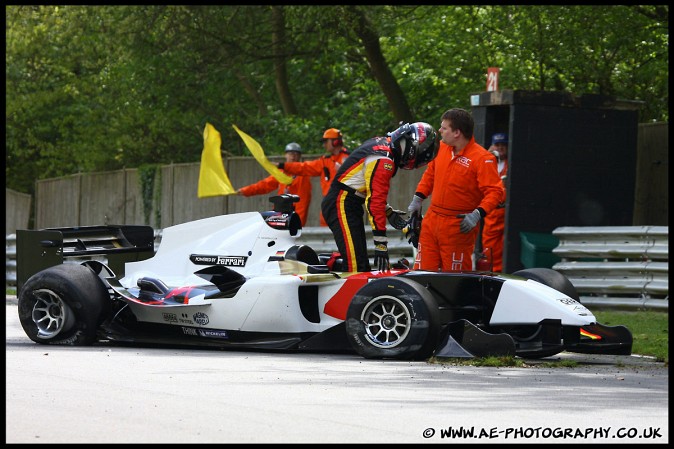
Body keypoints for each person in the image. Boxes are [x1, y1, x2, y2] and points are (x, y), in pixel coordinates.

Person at [321, 122, 439, 272]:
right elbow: (374, 202)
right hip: (341, 202)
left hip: (347, 201)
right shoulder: (385, 160)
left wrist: (388, 212)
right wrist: (381, 244)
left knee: (360, 265)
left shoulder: (382, 144)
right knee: (355, 267)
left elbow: (364, 188)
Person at [407, 108, 504, 272]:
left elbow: (496, 192)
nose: (440, 131)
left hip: (459, 225)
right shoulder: (441, 148)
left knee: (453, 277)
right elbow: (430, 175)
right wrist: (418, 198)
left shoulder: (482, 158)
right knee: (422, 272)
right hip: (432, 220)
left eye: (444, 128)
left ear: (457, 132)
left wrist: (477, 214)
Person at [277, 128, 350, 226]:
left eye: (326, 141)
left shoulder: (350, 158)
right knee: (326, 228)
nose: (324, 145)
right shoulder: (326, 161)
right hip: (329, 203)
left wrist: (344, 172)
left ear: (335, 142)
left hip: (346, 202)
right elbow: (305, 167)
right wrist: (283, 166)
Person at [236, 142, 312, 226]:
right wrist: (245, 191)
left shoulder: (303, 175)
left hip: (293, 214)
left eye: (296, 154)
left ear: (300, 156)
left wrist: (298, 222)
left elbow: (303, 201)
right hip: (280, 211)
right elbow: (264, 185)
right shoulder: (281, 173)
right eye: (290, 153)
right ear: (285, 155)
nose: (293, 156)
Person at [481, 132, 509, 272]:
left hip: (504, 213)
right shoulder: (488, 162)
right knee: (489, 249)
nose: (500, 148)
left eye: (503, 145)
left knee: (504, 248)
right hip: (490, 212)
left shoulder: (510, 165)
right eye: (497, 145)